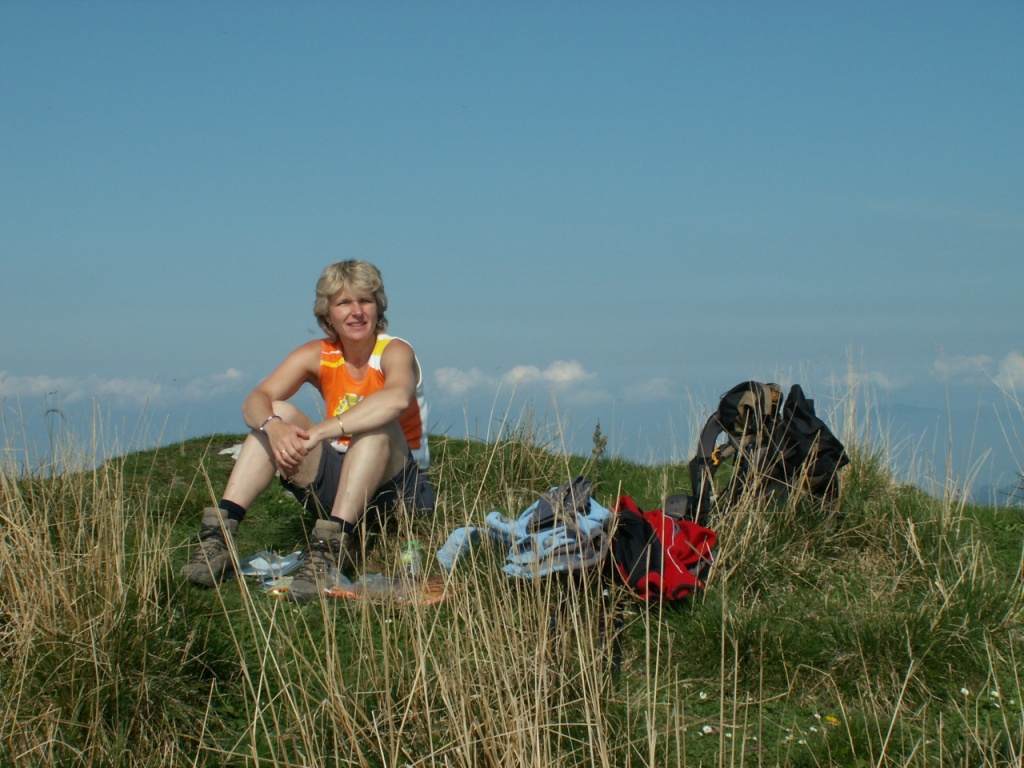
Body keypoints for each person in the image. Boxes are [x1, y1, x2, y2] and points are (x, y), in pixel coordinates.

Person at [181, 260, 434, 603]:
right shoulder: (319, 354)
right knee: (276, 411)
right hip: (341, 480)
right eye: (344, 303)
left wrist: (323, 431)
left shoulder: (393, 350)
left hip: (400, 491)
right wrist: (273, 427)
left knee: (376, 427)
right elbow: (255, 400)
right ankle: (219, 537)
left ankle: (330, 552)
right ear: (327, 314)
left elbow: (396, 399)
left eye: (365, 301)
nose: (356, 312)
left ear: (379, 307)